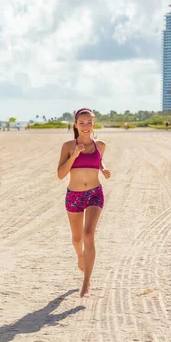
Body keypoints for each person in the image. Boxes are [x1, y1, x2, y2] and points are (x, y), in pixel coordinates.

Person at [57, 108, 111, 298]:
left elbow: (99, 160)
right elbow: (60, 174)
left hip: (95, 193)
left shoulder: (101, 145)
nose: (86, 126)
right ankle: (80, 256)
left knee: (88, 235)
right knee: (77, 238)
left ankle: (86, 282)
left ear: (93, 124)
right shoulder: (68, 146)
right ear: (75, 125)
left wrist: (104, 169)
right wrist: (74, 155)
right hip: (74, 195)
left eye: (89, 123)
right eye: (82, 123)